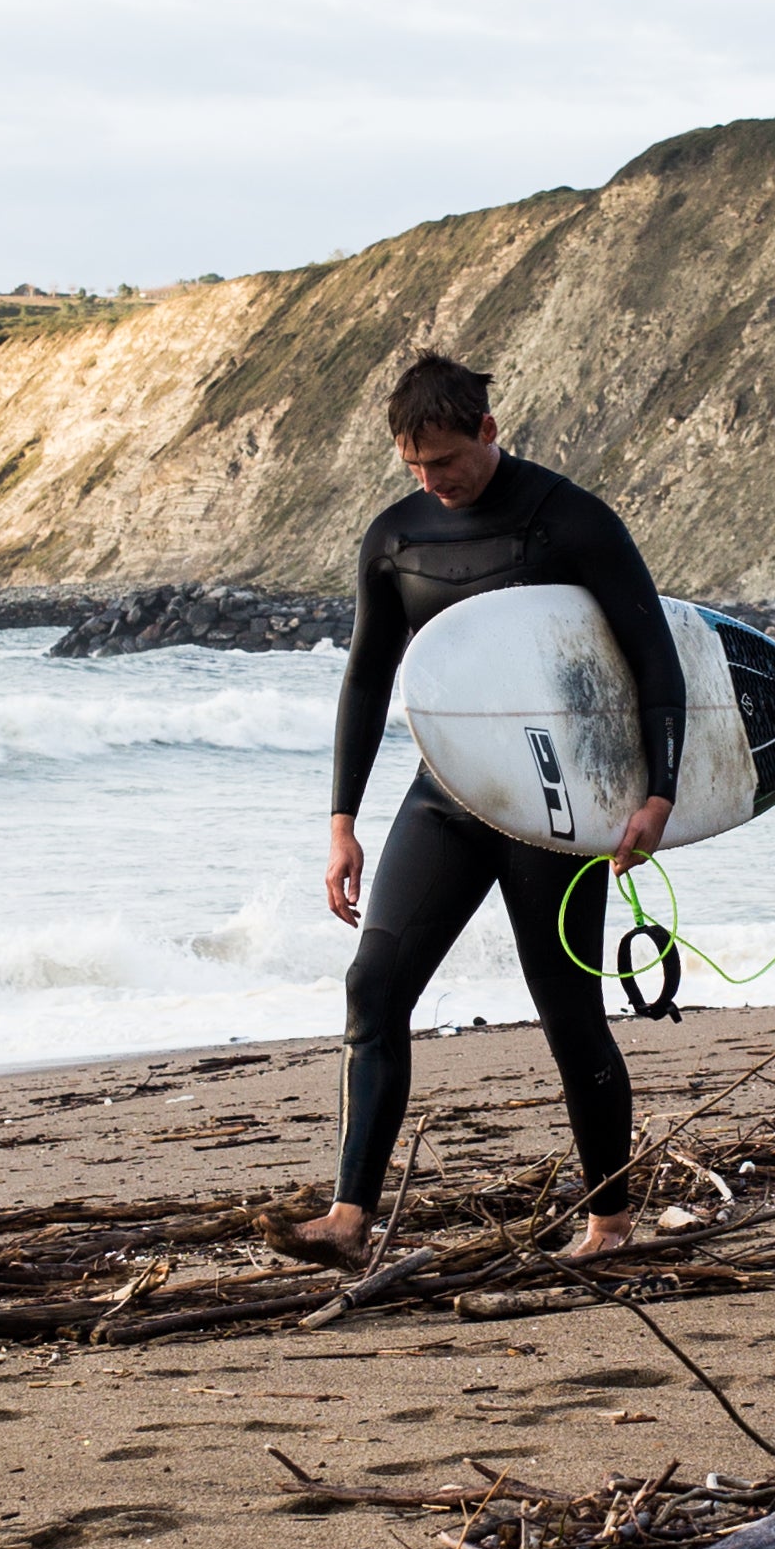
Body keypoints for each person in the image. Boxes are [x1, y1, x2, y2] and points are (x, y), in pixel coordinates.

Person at [277, 353, 682, 1268]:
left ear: (490, 432)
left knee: (567, 1005)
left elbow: (653, 655)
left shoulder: (568, 519)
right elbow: (368, 677)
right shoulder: (394, 536)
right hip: (448, 795)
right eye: (416, 466)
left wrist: (657, 792)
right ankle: (349, 1217)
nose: (434, 481)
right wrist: (342, 821)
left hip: (552, 801)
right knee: (372, 988)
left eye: (449, 461)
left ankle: (610, 1222)